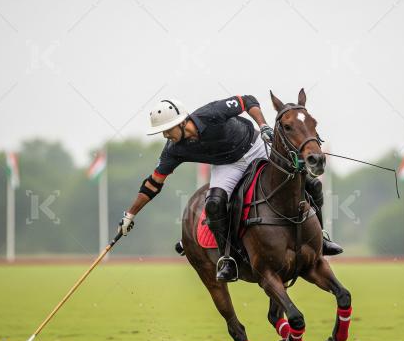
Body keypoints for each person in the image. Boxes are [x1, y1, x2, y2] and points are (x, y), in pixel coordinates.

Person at [117, 95, 342, 282]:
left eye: (168, 129)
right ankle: (228, 259)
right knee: (214, 204)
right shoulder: (173, 150)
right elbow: (153, 183)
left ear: (182, 122)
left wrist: (263, 125)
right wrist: (130, 215)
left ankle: (321, 236)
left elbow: (247, 101)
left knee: (311, 183)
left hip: (255, 147)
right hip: (227, 166)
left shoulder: (209, 114)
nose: (166, 135)